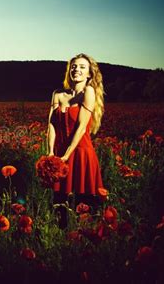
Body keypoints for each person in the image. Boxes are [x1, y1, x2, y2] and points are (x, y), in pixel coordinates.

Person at [46, 53, 105, 228]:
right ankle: (61, 243)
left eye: (82, 67)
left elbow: (80, 128)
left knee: (83, 206)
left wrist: (66, 155)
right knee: (59, 204)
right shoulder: (57, 94)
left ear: (89, 74)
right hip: (60, 155)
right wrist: (51, 152)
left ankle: (83, 246)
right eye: (73, 66)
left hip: (80, 153)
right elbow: (52, 125)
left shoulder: (89, 91)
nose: (76, 69)